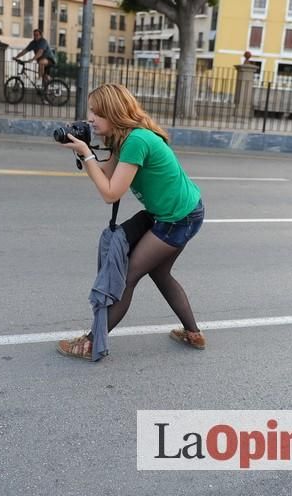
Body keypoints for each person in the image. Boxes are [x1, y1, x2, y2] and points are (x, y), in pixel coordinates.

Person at [56, 83, 206, 360]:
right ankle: (193, 333)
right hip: (172, 211)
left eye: (97, 113)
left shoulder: (136, 140)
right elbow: (108, 173)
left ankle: (91, 342)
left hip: (178, 217)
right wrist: (83, 152)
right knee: (160, 273)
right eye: (90, 111)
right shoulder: (121, 140)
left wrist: (88, 156)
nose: (90, 118)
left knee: (127, 276)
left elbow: (111, 192)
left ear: (114, 113)